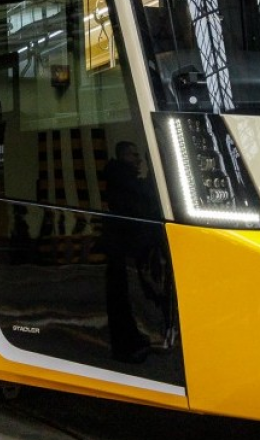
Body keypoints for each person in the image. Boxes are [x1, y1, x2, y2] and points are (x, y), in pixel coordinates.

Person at [101, 140, 154, 362]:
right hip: (120, 247)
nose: (138, 160)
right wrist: (153, 170)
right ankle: (124, 347)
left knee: (124, 297)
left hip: (121, 245)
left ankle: (130, 339)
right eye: (134, 156)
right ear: (123, 156)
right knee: (121, 298)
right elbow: (143, 194)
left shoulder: (119, 175)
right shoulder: (121, 176)